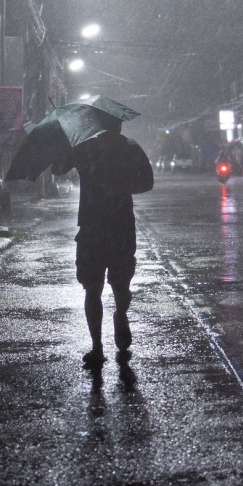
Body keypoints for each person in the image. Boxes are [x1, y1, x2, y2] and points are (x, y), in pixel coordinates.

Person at [52, 117, 154, 367]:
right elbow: (58, 168)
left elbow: (147, 182)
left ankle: (121, 314)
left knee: (120, 286)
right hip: (92, 229)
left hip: (120, 228)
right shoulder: (84, 149)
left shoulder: (130, 148)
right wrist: (66, 142)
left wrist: (119, 187)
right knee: (92, 288)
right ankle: (96, 347)